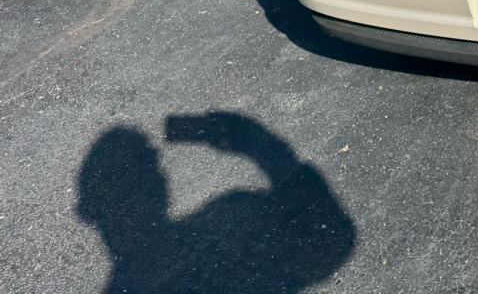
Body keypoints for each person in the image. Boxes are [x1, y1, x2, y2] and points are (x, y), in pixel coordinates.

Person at [77, 112, 355, 294]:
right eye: (148, 173)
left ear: (88, 211)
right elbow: (330, 236)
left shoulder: (222, 223)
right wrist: (252, 141)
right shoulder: (230, 230)